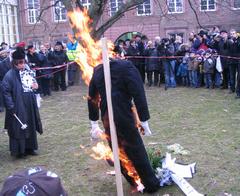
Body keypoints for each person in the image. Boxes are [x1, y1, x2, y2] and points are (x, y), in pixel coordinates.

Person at [88, 58, 160, 193]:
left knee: (118, 148)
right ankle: (150, 184)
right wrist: (144, 121)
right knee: (134, 148)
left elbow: (92, 97)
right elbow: (138, 93)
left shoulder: (98, 70)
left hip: (107, 114)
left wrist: (94, 122)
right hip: (122, 112)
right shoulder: (126, 67)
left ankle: (133, 180)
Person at [2, 47, 43, 158]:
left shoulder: (27, 72)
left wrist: (35, 86)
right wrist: (11, 107)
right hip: (17, 106)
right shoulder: (9, 76)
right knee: (19, 128)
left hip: (29, 103)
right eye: (20, 63)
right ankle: (20, 151)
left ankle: (30, 148)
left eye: (24, 62)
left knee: (30, 123)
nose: (23, 65)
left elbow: (33, 84)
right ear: (15, 63)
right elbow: (6, 92)